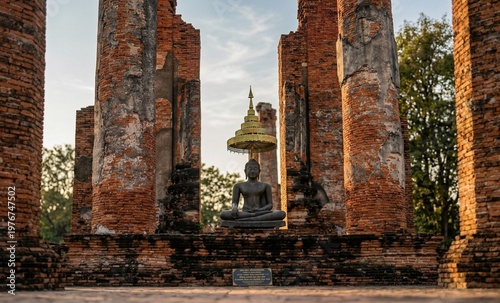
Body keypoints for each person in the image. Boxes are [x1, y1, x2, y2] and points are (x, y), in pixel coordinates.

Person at [220, 159, 286, 221]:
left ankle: (247, 219)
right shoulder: (238, 186)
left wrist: (260, 210)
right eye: (250, 169)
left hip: (260, 212)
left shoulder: (266, 186)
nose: (252, 171)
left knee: (281, 213)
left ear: (259, 171)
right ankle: (255, 218)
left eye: (255, 169)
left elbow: (270, 205)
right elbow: (234, 203)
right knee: (223, 214)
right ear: (245, 171)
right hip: (245, 212)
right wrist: (234, 208)